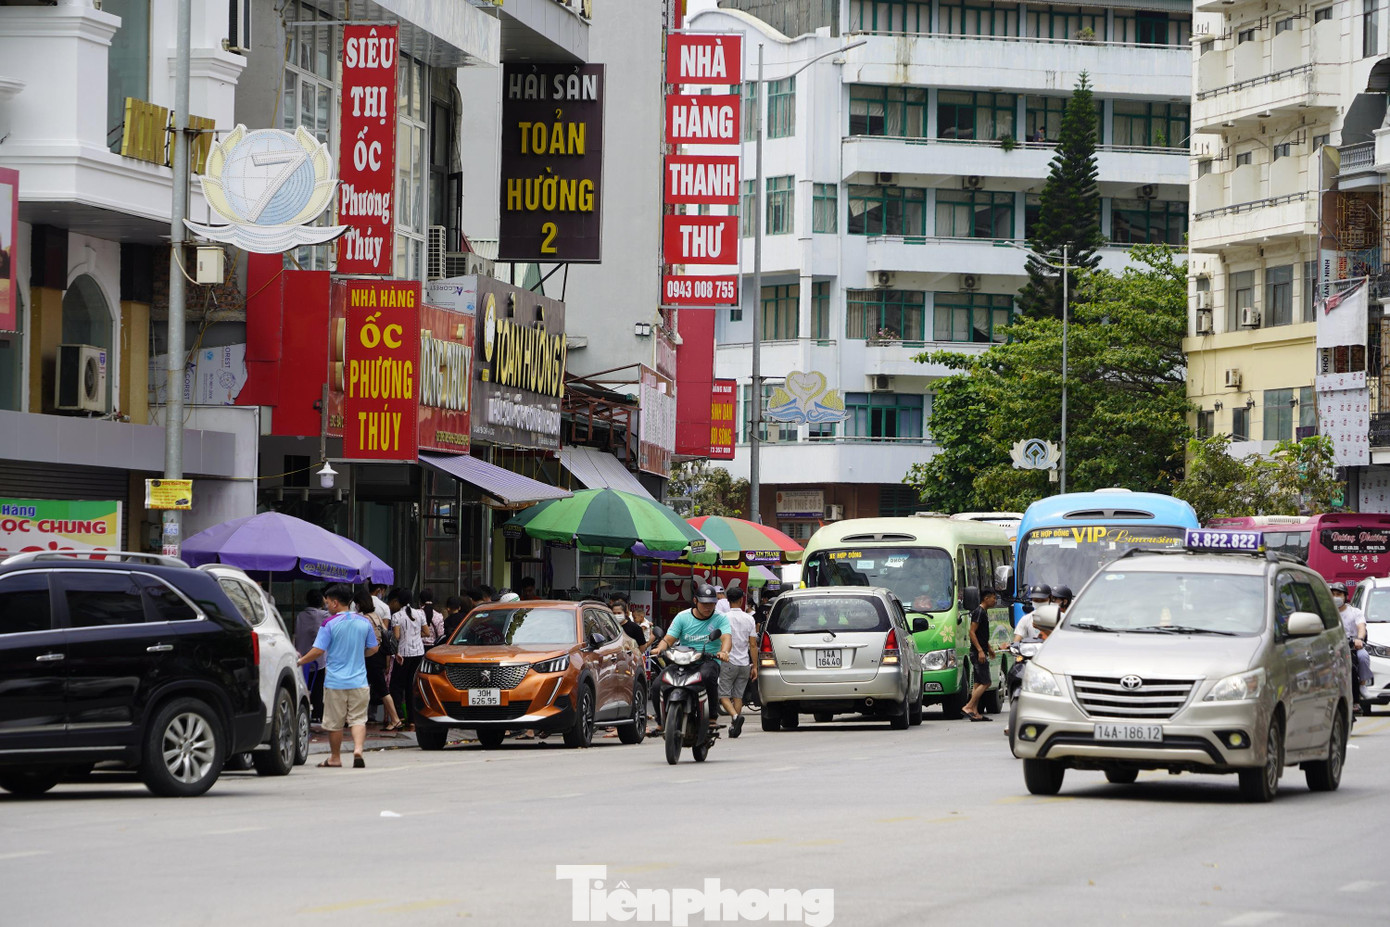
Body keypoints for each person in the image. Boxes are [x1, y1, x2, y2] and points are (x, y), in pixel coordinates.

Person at [297, 584, 379, 768]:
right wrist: (360, 655)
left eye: (327, 602)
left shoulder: (329, 624)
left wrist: (300, 661)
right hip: (359, 680)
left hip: (335, 682)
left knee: (335, 723)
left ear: (335, 603)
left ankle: (335, 758)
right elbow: (374, 648)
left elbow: (318, 650)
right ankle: (358, 749)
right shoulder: (364, 622)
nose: (326, 606)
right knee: (358, 719)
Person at [648, 583, 731, 735]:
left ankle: (712, 717)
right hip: (683, 660)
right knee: (658, 684)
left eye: (712, 604)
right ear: (695, 601)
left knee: (707, 676)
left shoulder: (721, 618)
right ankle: (661, 721)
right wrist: (660, 648)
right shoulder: (682, 617)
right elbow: (668, 639)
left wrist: (724, 652)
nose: (708, 607)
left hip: (708, 660)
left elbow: (726, 638)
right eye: (704, 603)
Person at [719, 587, 758, 738]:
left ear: (727, 601)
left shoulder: (723, 618)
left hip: (728, 661)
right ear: (742, 600)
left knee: (723, 695)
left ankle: (736, 717)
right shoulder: (749, 618)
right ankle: (734, 725)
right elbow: (753, 645)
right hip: (744, 663)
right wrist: (754, 666)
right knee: (738, 696)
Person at [361, 588, 402, 731]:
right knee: (380, 688)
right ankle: (394, 719)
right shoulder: (376, 616)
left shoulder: (364, 619)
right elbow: (386, 634)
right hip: (379, 655)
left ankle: (395, 719)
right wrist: (394, 653)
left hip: (370, 656)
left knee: (381, 690)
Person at [388, 587, 427, 728]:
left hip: (403, 655)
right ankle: (413, 720)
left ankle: (399, 716)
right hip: (418, 653)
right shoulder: (420, 613)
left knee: (396, 686)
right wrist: (415, 635)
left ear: (399, 601)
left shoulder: (397, 616)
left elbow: (397, 637)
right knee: (412, 686)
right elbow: (427, 632)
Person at [961, 588, 998, 722]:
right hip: (977, 653)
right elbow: (972, 632)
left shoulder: (983, 612)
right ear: (986, 598)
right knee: (986, 682)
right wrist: (980, 651)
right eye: (993, 598)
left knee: (977, 683)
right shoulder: (978, 612)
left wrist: (989, 648)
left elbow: (981, 635)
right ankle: (969, 706)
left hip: (980, 650)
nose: (995, 601)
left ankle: (975, 712)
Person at [1332, 582, 1371, 707]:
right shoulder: (1328, 613)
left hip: (1353, 646)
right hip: (1334, 647)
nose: (1335, 597)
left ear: (1345, 596)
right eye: (1332, 594)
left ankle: (1362, 686)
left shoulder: (1355, 612)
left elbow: (1361, 627)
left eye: (1338, 594)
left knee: (1363, 657)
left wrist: (1359, 639)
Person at [294, 589, 330, 722]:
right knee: (318, 688)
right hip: (317, 658)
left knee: (304, 687)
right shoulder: (324, 614)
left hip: (302, 657)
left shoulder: (301, 615)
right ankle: (317, 714)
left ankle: (302, 713)